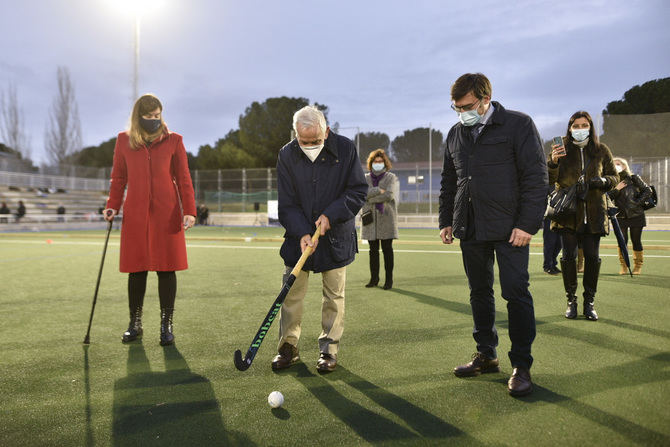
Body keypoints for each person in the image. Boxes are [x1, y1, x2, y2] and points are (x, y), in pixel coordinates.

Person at [439, 73, 547, 397]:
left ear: (486, 98)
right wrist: (447, 220)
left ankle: (521, 365)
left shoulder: (518, 125)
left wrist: (528, 224)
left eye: (467, 106)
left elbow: (536, 177)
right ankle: (486, 354)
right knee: (479, 292)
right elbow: (449, 181)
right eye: (456, 108)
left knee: (516, 293)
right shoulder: (455, 134)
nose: (462, 113)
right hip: (471, 228)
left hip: (511, 229)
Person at [273, 105, 367, 373]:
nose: (310, 146)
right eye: (304, 142)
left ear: (326, 131)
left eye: (316, 141)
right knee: (291, 294)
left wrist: (331, 215)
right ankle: (288, 347)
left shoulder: (346, 150)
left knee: (334, 297)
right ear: (295, 135)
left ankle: (329, 351)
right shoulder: (287, 154)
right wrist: (302, 232)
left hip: (336, 236)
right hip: (297, 237)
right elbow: (286, 204)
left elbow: (358, 191)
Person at [104, 94, 196, 346]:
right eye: (149, 117)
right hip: (135, 214)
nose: (154, 120)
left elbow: (184, 178)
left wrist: (189, 210)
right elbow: (118, 178)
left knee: (167, 269)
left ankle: (166, 324)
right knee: (137, 269)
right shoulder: (123, 141)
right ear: (139, 117)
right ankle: (135, 323)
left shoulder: (174, 140)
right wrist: (111, 206)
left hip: (166, 213)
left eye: (158, 116)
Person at [548, 111, 618, 321]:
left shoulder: (601, 150)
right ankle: (571, 300)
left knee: (592, 257)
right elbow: (549, 179)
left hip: (594, 211)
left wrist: (602, 181)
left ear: (590, 127)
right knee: (568, 257)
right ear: (569, 128)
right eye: (575, 126)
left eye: (584, 125)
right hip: (568, 212)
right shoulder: (561, 150)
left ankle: (589, 302)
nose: (580, 129)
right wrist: (553, 162)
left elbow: (614, 177)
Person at [361, 149, 399, 290]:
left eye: (380, 161)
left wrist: (371, 195)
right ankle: (374, 279)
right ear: (371, 163)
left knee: (387, 249)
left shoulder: (391, 177)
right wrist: (379, 190)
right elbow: (363, 195)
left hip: (386, 218)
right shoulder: (365, 178)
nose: (378, 164)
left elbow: (389, 195)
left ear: (384, 163)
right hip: (370, 219)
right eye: (375, 162)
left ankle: (389, 280)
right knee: (373, 250)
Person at [609, 157, 652, 275]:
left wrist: (636, 203)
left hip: (636, 214)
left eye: (618, 164)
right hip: (620, 215)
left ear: (624, 166)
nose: (616, 166)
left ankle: (638, 266)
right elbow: (607, 197)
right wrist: (617, 189)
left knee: (636, 240)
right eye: (614, 164)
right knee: (622, 241)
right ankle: (624, 266)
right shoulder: (611, 181)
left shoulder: (634, 178)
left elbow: (648, 191)